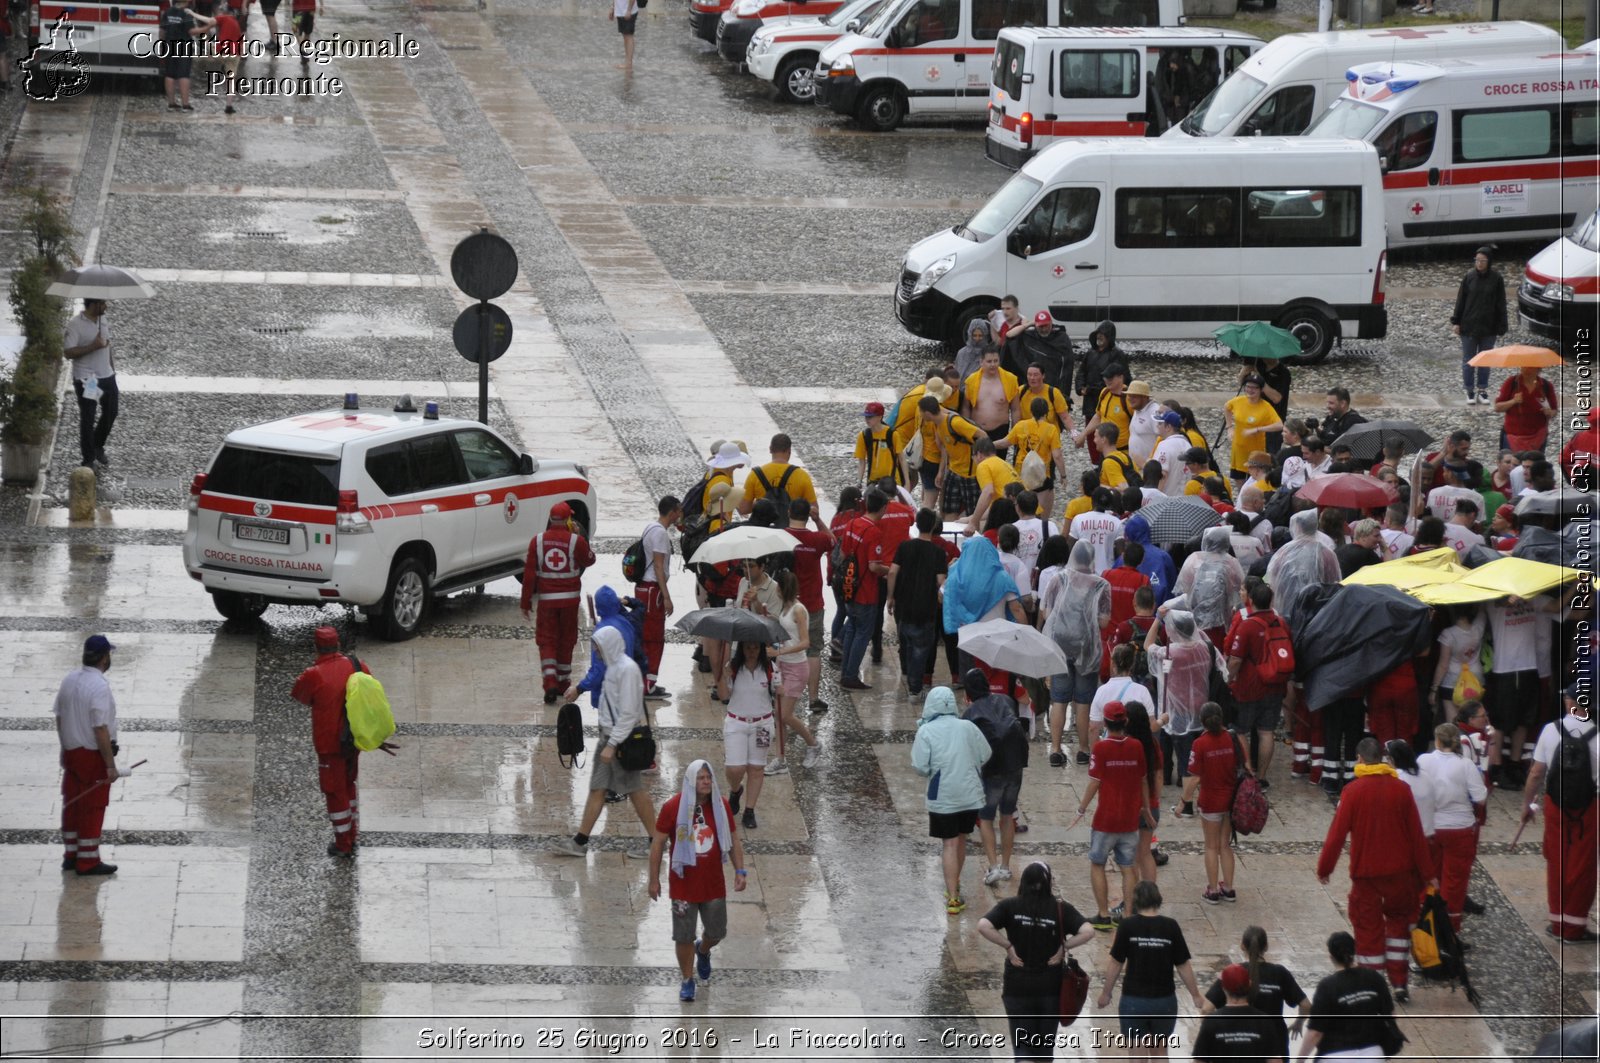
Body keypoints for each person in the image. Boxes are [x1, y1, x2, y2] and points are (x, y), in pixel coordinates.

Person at [1316, 738, 1437, 1001]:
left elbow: (1337, 835)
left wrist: (1325, 867)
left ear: (1359, 759)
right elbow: (1416, 836)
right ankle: (1399, 984)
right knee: (1398, 927)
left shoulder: (1352, 792)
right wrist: (1429, 874)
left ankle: (1371, 985)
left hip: (1366, 876)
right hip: (1400, 874)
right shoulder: (1401, 789)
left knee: (1368, 928)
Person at [553, 627, 657, 857]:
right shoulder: (613, 668)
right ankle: (580, 842)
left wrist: (612, 744)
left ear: (607, 645)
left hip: (619, 742)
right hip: (609, 739)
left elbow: (630, 713)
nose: (594, 650)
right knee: (598, 790)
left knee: (636, 790)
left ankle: (656, 842)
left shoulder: (627, 671)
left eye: (597, 646)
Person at [648, 760, 747, 1003]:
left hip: (713, 883)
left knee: (717, 932)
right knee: (683, 936)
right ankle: (687, 979)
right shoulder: (673, 807)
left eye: (708, 777)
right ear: (691, 781)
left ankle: (703, 950)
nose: (705, 781)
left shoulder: (721, 806)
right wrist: (653, 880)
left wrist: (740, 871)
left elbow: (732, 839)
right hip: (683, 885)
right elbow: (658, 843)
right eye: (700, 777)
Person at [978, 861, 1097, 1062]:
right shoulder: (1061, 909)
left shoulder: (1010, 906)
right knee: (1044, 1050)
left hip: (1017, 986)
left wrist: (1008, 946)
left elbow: (983, 925)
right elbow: (1088, 931)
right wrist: (1064, 947)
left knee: (1022, 1047)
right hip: (1049, 988)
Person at [289, 627, 382, 857]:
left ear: (316, 646)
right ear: (338, 644)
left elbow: (300, 695)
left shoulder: (314, 674)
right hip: (354, 740)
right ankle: (353, 834)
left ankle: (343, 844)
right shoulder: (356, 664)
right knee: (349, 786)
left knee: (334, 792)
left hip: (330, 745)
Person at [1519, 686, 1599, 942]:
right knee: (1583, 865)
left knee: (1557, 861)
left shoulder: (1550, 730)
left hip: (1556, 805)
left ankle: (1557, 923)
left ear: (1569, 702)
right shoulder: (1598, 735)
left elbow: (1536, 773)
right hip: (1589, 807)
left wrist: (1527, 804)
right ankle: (1575, 926)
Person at [1097, 880, 1203, 1058]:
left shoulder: (1127, 926)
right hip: (1164, 1001)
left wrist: (1106, 993)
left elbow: (1116, 963)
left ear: (1136, 901)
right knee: (1160, 1053)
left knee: (1137, 1055)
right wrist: (1195, 995)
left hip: (1134, 1001)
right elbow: (1183, 964)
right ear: (1157, 899)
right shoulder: (1171, 926)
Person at [912, 687, 992, 915]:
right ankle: (954, 884)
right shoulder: (968, 727)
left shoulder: (926, 731)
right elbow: (985, 753)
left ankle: (953, 897)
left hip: (943, 795)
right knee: (961, 840)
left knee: (949, 844)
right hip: (970, 795)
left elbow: (920, 766)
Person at [54, 634, 126, 875]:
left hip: (71, 752)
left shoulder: (69, 679)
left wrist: (66, 745)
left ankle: (71, 855)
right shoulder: (99, 686)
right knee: (92, 807)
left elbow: (60, 717)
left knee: (73, 803)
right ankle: (88, 861)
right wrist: (110, 765)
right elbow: (101, 728)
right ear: (105, 658)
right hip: (90, 756)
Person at [1078, 701, 1154, 930]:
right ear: (1125, 721)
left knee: (1097, 864)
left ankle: (1103, 915)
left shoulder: (1101, 748)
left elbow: (1094, 783)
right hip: (1129, 819)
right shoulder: (1137, 747)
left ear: (1106, 722)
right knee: (1128, 867)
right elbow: (1143, 780)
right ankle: (1129, 914)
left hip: (1105, 820)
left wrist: (1081, 808)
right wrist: (1146, 808)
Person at [1041, 540, 1111, 768]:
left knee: (1059, 699)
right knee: (1083, 700)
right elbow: (1103, 622)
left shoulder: (1057, 579)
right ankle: (1083, 749)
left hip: (1060, 645)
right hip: (1087, 647)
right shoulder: (1101, 585)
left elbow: (1046, 612)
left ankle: (1055, 748)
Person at [521, 502, 596, 704]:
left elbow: (529, 575)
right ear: (568, 520)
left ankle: (550, 681)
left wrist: (525, 602)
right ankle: (563, 683)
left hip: (547, 603)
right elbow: (590, 560)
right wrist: (581, 537)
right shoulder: (575, 541)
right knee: (566, 640)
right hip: (570, 602)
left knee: (547, 641)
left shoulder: (537, 542)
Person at [961, 669, 1029, 887]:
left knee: (987, 818)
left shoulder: (970, 714)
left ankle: (993, 867)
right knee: (1008, 815)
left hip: (993, 770)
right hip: (1016, 764)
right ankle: (1007, 866)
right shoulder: (1006, 700)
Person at [1418, 723, 1487, 933]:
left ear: (1437, 740)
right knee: (1454, 883)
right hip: (1460, 829)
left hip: (1431, 828)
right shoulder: (1466, 765)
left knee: (1429, 878)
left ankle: (1427, 927)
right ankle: (1449, 931)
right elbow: (1481, 797)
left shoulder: (1424, 760)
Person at [1178, 703, 1244, 903]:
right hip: (1230, 800)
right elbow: (1244, 764)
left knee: (1211, 847)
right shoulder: (1232, 738)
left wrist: (1183, 802)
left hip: (1210, 801)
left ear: (1202, 721)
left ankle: (1213, 890)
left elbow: (1195, 777)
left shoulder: (1200, 744)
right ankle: (1229, 888)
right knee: (1225, 845)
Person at [1201, 927, 1309, 1049]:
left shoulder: (1233, 973)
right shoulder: (1279, 973)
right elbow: (1306, 1005)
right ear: (1266, 947)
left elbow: (1206, 1009)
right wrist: (1299, 1023)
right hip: (1275, 1042)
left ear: (1242, 946)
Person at [1226, 582, 1290, 786]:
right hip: (1276, 684)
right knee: (1266, 732)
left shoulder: (1248, 626)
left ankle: (1248, 773)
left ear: (1251, 600)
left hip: (1249, 687)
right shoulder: (1281, 622)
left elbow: (1235, 660)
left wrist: (1228, 679)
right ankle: (1262, 777)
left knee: (1241, 730)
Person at [1298, 932, 1397, 1058]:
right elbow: (1391, 1015)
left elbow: (1315, 1033)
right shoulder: (1374, 978)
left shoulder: (1327, 986)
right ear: (1354, 951)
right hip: (1372, 1053)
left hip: (1335, 1055)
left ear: (1331, 956)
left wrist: (1300, 1060)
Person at [888, 508, 948, 698]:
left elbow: (891, 572)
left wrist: (890, 597)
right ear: (933, 527)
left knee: (906, 644)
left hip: (904, 605)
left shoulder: (904, 547)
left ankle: (909, 678)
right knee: (921, 649)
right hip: (926, 607)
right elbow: (940, 582)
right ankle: (915, 688)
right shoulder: (938, 553)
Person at [717, 640, 776, 829]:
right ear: (742, 648)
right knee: (735, 768)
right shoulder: (732, 668)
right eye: (748, 647)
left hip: (763, 725)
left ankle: (749, 810)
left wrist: (780, 689)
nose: (752, 651)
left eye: (756, 647)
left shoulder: (770, 668)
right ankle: (736, 790)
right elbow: (724, 696)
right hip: (736, 723)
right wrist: (722, 677)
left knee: (756, 768)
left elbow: (778, 692)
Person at [782, 499, 834, 711]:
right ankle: (813, 699)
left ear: (788, 511)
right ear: (807, 515)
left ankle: (784, 695)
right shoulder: (817, 539)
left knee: (783, 648)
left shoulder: (781, 537)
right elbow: (833, 540)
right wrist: (818, 519)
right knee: (813, 650)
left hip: (785, 603)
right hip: (812, 602)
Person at [836, 488, 889, 691]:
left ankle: (845, 673)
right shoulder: (874, 532)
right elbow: (874, 566)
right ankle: (850, 676)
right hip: (866, 591)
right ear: (883, 508)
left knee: (850, 630)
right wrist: (891, 569)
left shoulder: (852, 523)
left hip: (849, 587)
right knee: (862, 634)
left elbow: (842, 553)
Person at [768, 571, 820, 774]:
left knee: (785, 714)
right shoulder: (785, 609)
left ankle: (813, 744)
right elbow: (788, 633)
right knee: (779, 716)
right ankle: (780, 758)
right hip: (783, 667)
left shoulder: (798, 610)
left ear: (782, 588)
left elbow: (805, 642)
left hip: (797, 668)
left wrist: (778, 651)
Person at [62, 298, 119, 469]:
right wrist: (92, 346)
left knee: (111, 412)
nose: (106, 306)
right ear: (93, 305)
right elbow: (68, 352)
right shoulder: (75, 325)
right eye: (102, 303)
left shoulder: (104, 320)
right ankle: (88, 458)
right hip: (88, 379)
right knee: (88, 417)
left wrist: (112, 369)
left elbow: (107, 345)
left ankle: (97, 444)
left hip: (107, 376)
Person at [1193, 962, 1289, 1063]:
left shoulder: (1211, 1022)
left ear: (1223, 988)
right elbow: (1275, 1061)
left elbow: (1199, 1061)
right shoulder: (1265, 1021)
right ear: (1250, 985)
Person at [633, 496, 681, 699]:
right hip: (653, 591)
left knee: (644, 636)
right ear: (672, 512)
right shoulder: (660, 534)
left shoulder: (650, 528)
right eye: (679, 512)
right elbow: (659, 566)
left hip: (643, 588)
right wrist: (667, 597)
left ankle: (643, 681)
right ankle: (648, 684)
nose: (680, 516)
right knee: (654, 639)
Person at [1450, 245, 1508, 405]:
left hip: (1488, 326)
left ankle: (1482, 390)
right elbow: (1461, 300)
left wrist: (1502, 324)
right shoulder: (1469, 277)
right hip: (1469, 325)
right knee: (1469, 360)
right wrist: (1456, 321)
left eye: (1483, 260)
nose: (1480, 263)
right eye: (1477, 260)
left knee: (1485, 360)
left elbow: (1500, 303)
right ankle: (1469, 390)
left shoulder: (1496, 279)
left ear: (1489, 262)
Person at [1176, 527, 1245, 646]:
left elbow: (1181, 589)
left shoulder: (1194, 559)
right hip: (1222, 620)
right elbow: (1242, 588)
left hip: (1194, 619)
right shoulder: (1232, 562)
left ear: (1205, 540)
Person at [741, 434, 826, 531]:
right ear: (789, 451)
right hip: (790, 533)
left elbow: (744, 509)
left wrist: (760, 503)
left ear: (770, 449)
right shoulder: (802, 476)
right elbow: (814, 510)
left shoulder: (755, 474)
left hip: (762, 531)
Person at [1124, 702, 1164, 884]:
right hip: (1152, 803)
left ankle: (1131, 899)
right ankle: (1150, 896)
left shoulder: (1127, 745)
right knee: (1145, 852)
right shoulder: (1153, 744)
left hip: (1131, 806)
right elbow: (1158, 776)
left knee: (1130, 856)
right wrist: (1155, 801)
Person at [1222, 377, 1282, 485]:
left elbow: (1279, 425)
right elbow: (1226, 407)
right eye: (1248, 387)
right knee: (1239, 480)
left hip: (1255, 451)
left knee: (1254, 481)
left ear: (1261, 390)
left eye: (1254, 387)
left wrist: (1258, 429)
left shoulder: (1266, 407)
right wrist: (1229, 427)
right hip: (1239, 448)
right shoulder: (1238, 401)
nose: (1250, 390)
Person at [158, 0, 214, 110]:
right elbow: (192, 31)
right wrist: (207, 27)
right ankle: (185, 104)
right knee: (183, 75)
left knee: (170, 74)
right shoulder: (186, 13)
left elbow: (162, 31)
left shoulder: (168, 12)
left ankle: (171, 103)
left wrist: (162, 44)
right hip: (183, 46)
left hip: (169, 45)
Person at [1493, 364, 1559, 455]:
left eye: (1530, 367)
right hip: (1512, 437)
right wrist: (1513, 401)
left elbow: (1554, 410)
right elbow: (1497, 407)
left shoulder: (1546, 386)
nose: (1526, 369)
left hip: (1538, 437)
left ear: (1538, 369)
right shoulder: (1512, 383)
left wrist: (1550, 413)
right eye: (1524, 366)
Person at [855, 401, 899, 486]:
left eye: (870, 417)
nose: (867, 419)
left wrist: (907, 482)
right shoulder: (863, 435)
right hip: (872, 482)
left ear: (880, 417)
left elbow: (901, 459)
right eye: (866, 417)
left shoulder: (892, 434)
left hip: (892, 482)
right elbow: (861, 461)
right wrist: (859, 481)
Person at [212, 2, 243, 113]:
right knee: (231, 80)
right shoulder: (235, 23)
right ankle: (229, 105)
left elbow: (209, 22)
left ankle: (223, 67)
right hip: (234, 52)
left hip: (222, 50)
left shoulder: (222, 18)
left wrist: (193, 14)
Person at [955, 317, 996, 382]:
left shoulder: (988, 354)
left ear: (985, 335)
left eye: (980, 335)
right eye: (974, 335)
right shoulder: (961, 353)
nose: (977, 339)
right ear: (970, 335)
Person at [609, 0, 639, 71]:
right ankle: (627, 62)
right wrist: (613, 8)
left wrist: (629, 10)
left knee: (628, 36)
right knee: (625, 36)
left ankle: (628, 64)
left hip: (628, 11)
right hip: (621, 11)